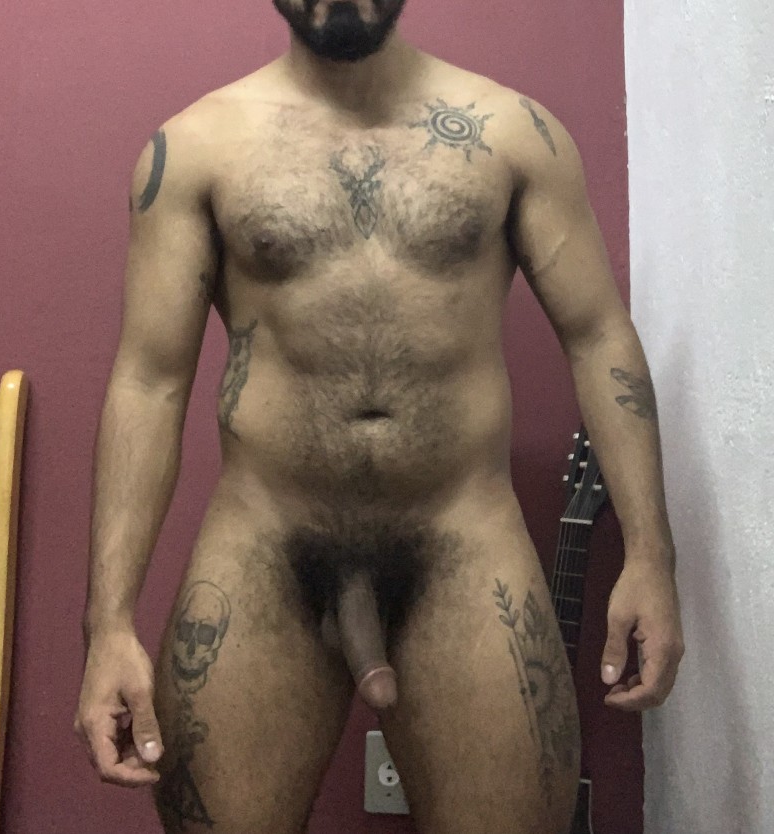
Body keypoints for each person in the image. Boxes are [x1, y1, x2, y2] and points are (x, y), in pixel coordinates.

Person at [74, 1, 685, 832]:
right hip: (266, 546)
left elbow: (597, 335)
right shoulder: (196, 150)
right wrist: (108, 624)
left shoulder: (512, 135)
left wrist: (651, 555)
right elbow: (150, 381)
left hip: (460, 540)